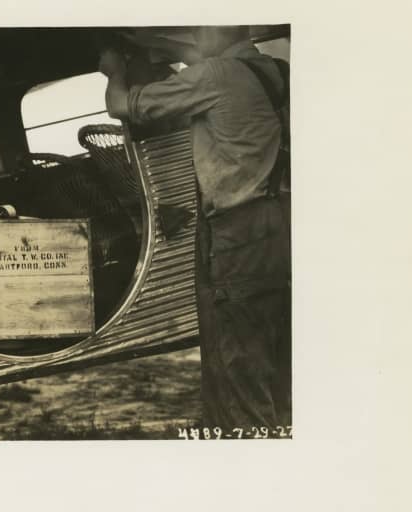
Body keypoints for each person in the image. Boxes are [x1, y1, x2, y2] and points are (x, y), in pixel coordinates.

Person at [98, 26, 291, 431]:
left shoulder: (214, 75)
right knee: (282, 357)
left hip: (242, 232)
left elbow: (121, 106)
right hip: (288, 224)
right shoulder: (276, 71)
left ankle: (251, 459)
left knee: (241, 359)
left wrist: (114, 70)